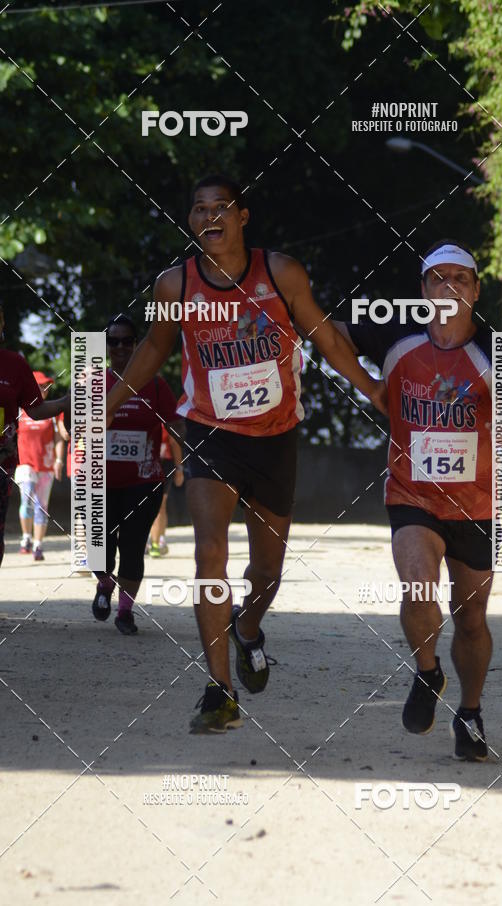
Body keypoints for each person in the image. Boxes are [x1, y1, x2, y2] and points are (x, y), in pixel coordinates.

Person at [105, 173, 387, 732]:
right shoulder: (174, 286)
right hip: (210, 430)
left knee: (267, 572)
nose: (210, 217)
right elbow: (155, 350)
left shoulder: (279, 273)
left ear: (241, 217)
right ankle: (219, 689)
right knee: (209, 553)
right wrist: (106, 405)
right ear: (191, 221)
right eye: (199, 209)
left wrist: (371, 387)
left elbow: (326, 337)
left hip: (276, 436)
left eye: (221, 208)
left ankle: (249, 628)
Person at [334, 240, 502, 761]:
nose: (448, 286)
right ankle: (427, 672)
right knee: (417, 585)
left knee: (471, 619)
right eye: (436, 278)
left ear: (475, 289)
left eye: (459, 278)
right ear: (422, 289)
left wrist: (495, 415)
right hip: (413, 496)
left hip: (478, 505)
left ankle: (469, 712)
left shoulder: (499, 352)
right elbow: (327, 331)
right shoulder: (396, 336)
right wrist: (371, 385)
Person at [90, 314, 183, 634]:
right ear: (105, 346)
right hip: (100, 482)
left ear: (136, 344)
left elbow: (175, 426)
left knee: (133, 546)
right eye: (113, 341)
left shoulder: (155, 384)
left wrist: (185, 463)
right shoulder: (93, 382)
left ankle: (125, 611)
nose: (120, 347)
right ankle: (105, 584)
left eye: (127, 341)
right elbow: (70, 424)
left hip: (144, 483)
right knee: (97, 549)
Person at [0, 303, 70, 567]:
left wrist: (64, 402)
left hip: (3, 462)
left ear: (2, 326)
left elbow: (36, 409)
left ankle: (32, 541)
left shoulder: (14, 365)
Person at [15, 371, 65, 561]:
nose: (44, 389)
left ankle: (38, 545)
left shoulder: (52, 412)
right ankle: (26, 537)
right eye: (40, 386)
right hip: (24, 464)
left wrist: (59, 460)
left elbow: (59, 438)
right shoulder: (20, 410)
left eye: (46, 386)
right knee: (27, 498)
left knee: (41, 505)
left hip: (46, 465)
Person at [148, 423, 184, 557]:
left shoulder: (164, 421)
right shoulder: (163, 420)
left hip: (158, 463)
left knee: (157, 504)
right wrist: (179, 469)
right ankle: (156, 542)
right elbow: (174, 442)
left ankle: (156, 541)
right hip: (157, 462)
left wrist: (179, 469)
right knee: (159, 505)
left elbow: (174, 442)